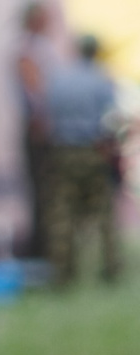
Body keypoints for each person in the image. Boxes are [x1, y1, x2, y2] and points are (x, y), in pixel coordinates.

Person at [41, 35, 123, 286]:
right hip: (93, 151)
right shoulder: (101, 80)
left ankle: (63, 271)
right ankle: (111, 268)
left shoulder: (58, 79)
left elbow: (46, 114)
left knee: (62, 212)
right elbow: (111, 119)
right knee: (104, 213)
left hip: (63, 151)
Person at [15, 2, 69, 259]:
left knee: (51, 191)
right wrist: (44, 120)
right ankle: (42, 249)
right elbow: (35, 91)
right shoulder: (28, 48)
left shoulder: (42, 46)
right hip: (40, 128)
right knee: (42, 190)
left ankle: (51, 246)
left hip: (50, 126)